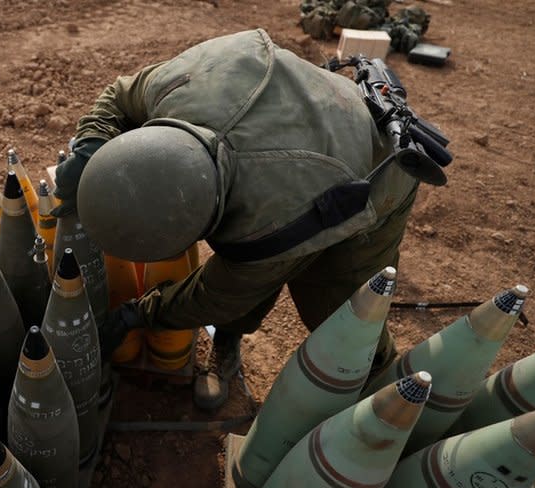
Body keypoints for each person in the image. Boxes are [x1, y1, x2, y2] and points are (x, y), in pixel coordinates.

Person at [52, 29, 449, 411]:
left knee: (335, 310)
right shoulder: (175, 86)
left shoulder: (271, 219)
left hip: (373, 174)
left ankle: (379, 383)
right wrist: (89, 149)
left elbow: (219, 293)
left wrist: (136, 315)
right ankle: (230, 341)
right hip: (305, 119)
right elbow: (119, 96)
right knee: (253, 267)